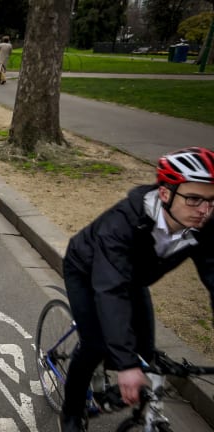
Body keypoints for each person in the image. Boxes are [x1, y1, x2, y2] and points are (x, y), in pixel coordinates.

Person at [59, 147, 214, 432]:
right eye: (193, 199)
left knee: (145, 352)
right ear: (165, 193)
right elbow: (110, 290)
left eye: (212, 200)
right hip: (86, 270)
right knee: (95, 344)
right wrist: (126, 365)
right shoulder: (122, 223)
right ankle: (70, 412)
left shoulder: (204, 224)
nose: (204, 210)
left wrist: (131, 361)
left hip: (131, 279)